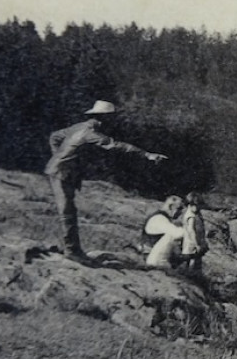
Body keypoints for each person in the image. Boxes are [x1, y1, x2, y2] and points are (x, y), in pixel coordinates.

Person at [46, 101, 167, 261]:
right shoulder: (90, 133)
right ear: (104, 118)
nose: (113, 121)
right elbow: (115, 145)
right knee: (67, 211)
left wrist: (58, 156)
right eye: (111, 118)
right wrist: (146, 154)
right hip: (62, 173)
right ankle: (71, 251)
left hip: (60, 170)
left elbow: (54, 137)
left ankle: (73, 249)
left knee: (68, 210)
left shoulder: (79, 127)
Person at [143, 195, 187, 268]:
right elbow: (178, 233)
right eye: (179, 208)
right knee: (173, 235)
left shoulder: (162, 218)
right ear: (171, 206)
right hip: (153, 259)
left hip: (153, 255)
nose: (181, 212)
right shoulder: (158, 218)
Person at [179, 191, 209, 272]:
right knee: (191, 260)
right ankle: (189, 275)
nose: (198, 208)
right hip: (192, 243)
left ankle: (195, 275)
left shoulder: (196, 214)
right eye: (196, 206)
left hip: (197, 241)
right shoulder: (190, 216)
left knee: (197, 261)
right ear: (190, 205)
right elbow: (191, 230)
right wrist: (196, 244)